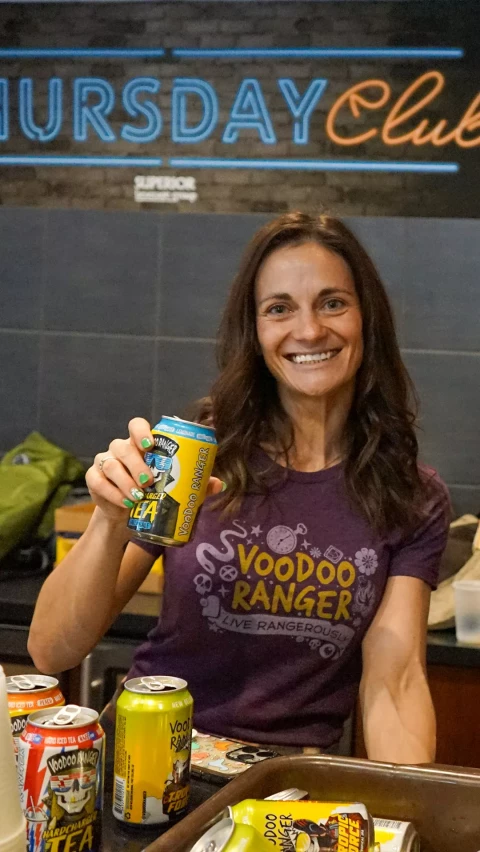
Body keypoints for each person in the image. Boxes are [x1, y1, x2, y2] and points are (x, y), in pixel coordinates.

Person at [28, 212, 450, 763]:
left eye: (332, 302)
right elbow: (52, 647)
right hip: (149, 765)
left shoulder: (408, 493)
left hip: (284, 789)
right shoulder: (199, 457)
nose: (309, 330)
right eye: (279, 308)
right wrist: (110, 520)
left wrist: (412, 820)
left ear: (367, 317)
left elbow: (395, 684)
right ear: (254, 332)